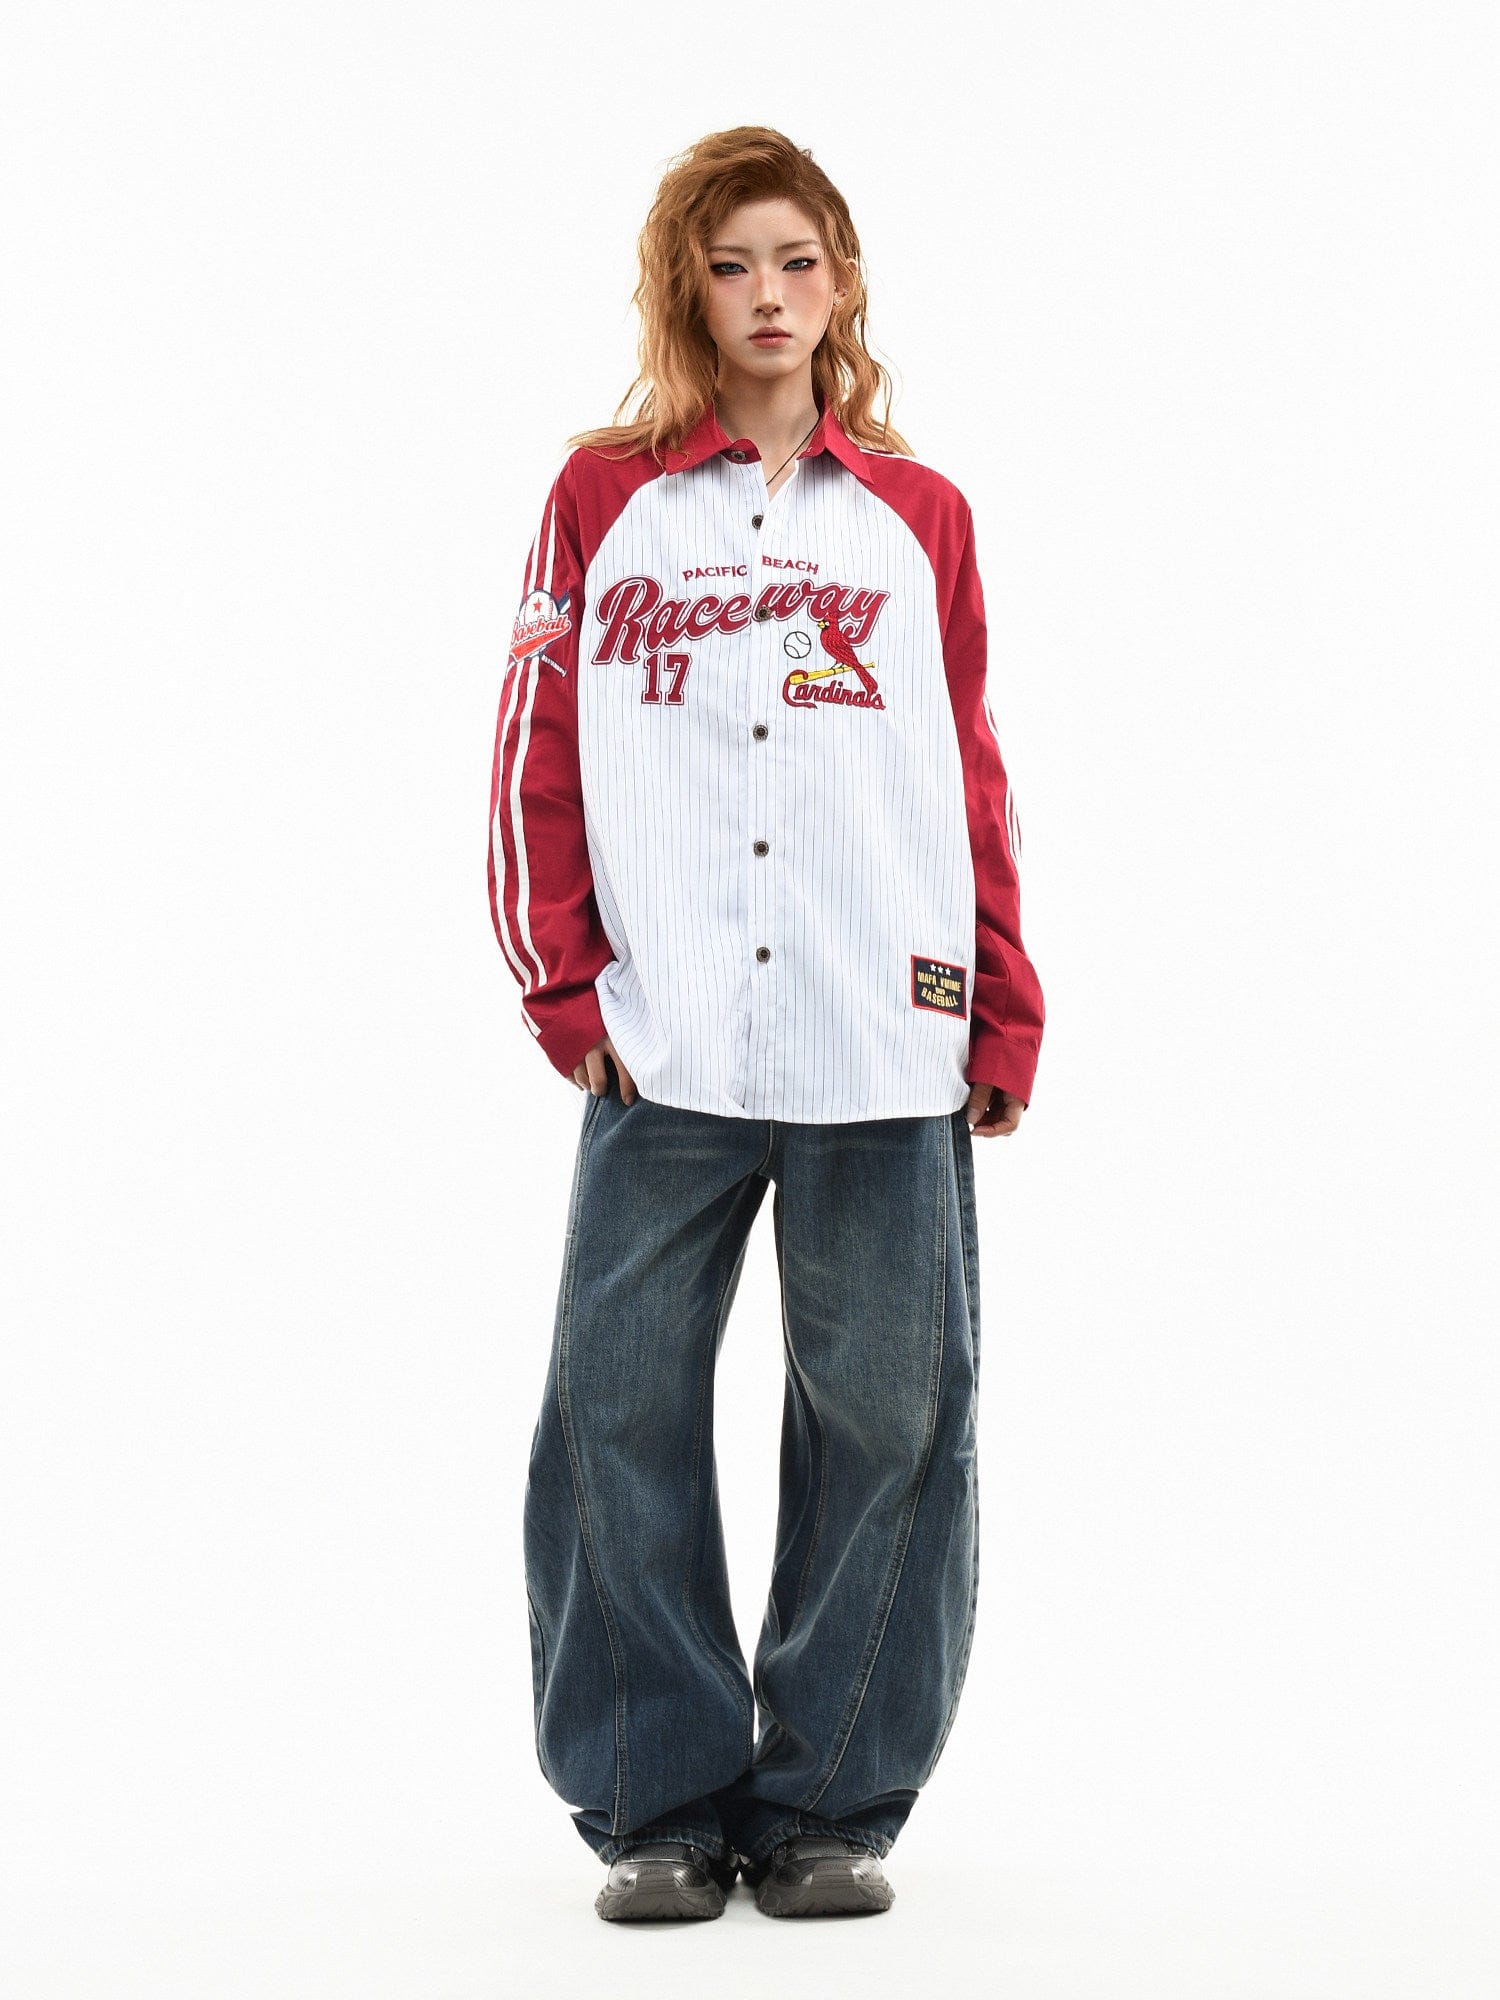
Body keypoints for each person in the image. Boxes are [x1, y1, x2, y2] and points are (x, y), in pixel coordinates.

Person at [486, 125, 1044, 1923]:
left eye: (797, 261)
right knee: (616, 1403)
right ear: (689, 291)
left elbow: (967, 768)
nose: (769, 297)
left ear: (843, 279)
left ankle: (827, 1805)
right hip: (666, 1039)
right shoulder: (602, 501)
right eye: (732, 266)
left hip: (885, 1027)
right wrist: (563, 982)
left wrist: (1005, 1004)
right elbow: (534, 749)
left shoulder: (921, 516)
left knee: (892, 1417)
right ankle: (654, 1796)